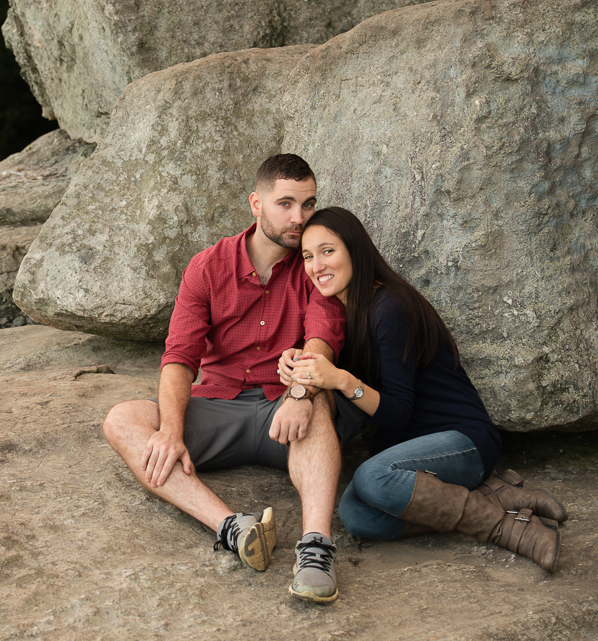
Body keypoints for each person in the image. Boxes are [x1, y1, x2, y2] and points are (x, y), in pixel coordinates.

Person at [102, 155, 359, 603]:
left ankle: (316, 547)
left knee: (318, 406)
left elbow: (322, 336)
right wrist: (171, 430)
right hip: (219, 404)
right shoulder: (208, 267)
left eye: (308, 204)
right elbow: (180, 356)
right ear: (255, 203)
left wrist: (300, 391)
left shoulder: (314, 263)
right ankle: (233, 527)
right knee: (122, 420)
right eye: (285, 204)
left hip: (286, 414)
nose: (298, 218)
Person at [279, 207, 567, 572]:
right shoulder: (347, 312)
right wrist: (297, 360)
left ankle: (505, 528)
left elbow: (400, 412)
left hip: (462, 440)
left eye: (328, 251)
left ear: (356, 250)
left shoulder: (390, 306)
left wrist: (339, 379)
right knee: (355, 515)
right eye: (307, 256)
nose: (316, 265)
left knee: (371, 477)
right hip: (411, 455)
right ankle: (493, 497)